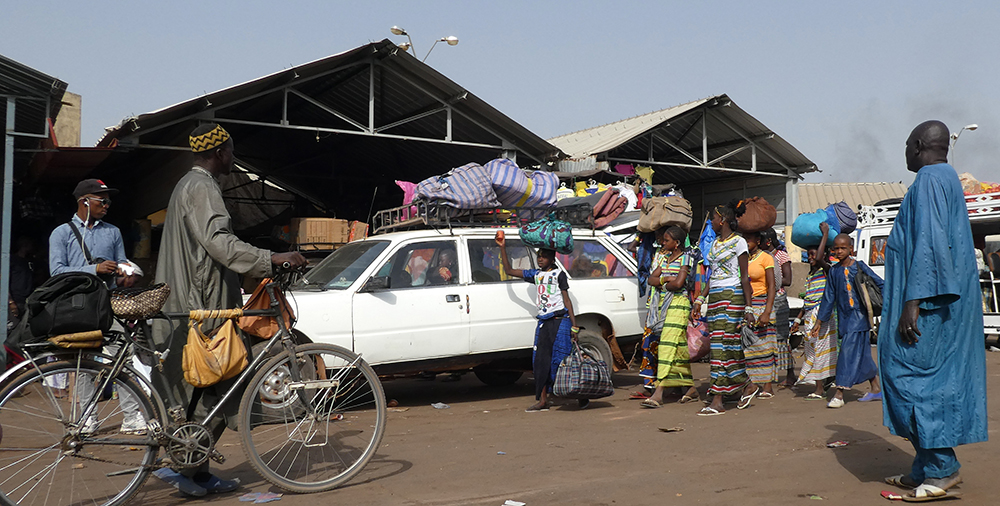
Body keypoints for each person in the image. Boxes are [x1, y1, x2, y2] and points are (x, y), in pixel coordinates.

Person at [151, 123, 306, 497]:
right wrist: (271, 258)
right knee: (226, 379)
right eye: (231, 151)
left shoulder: (187, 185)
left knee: (199, 390)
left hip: (190, 301)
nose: (233, 158)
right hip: (203, 307)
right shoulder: (203, 187)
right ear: (220, 152)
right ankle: (192, 469)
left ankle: (194, 470)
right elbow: (220, 243)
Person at [879, 120, 986, 501]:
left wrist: (914, 302)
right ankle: (924, 467)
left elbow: (930, 242)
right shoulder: (946, 178)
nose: (905, 150)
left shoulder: (929, 180)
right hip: (936, 299)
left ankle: (942, 468)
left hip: (928, 303)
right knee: (921, 380)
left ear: (920, 144)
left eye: (908, 144)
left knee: (914, 380)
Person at [47, 179, 146, 432]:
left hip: (109, 303)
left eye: (108, 201)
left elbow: (121, 261)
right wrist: (95, 268)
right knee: (82, 362)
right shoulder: (62, 233)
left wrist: (126, 273)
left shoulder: (112, 232)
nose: (107, 205)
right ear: (84, 202)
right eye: (102, 201)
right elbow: (56, 272)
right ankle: (87, 417)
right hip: (77, 306)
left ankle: (131, 417)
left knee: (124, 357)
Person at [494, 231, 582, 412]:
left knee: (562, 360)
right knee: (540, 362)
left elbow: (566, 301)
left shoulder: (559, 275)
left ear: (552, 258)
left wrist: (574, 325)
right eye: (539, 256)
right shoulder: (536, 275)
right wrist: (503, 248)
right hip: (543, 323)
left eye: (544, 257)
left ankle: (578, 395)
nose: (540, 259)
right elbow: (510, 270)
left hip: (560, 321)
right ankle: (543, 401)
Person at [690, 200, 760, 416]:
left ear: (723, 220)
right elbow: (713, 275)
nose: (711, 221)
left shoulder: (739, 242)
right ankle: (747, 384)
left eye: (713, 218)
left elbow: (744, 276)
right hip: (716, 297)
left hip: (733, 296)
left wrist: (749, 308)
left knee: (723, 346)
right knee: (723, 346)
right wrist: (701, 298)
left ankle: (718, 398)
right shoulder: (714, 245)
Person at [814, 233, 882, 408]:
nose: (839, 251)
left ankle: (839, 393)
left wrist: (891, 305)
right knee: (863, 355)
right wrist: (819, 321)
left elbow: (880, 284)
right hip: (844, 320)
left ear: (851, 249)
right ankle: (875, 387)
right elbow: (828, 297)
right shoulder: (834, 271)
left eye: (843, 248)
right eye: (836, 248)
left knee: (847, 354)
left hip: (859, 318)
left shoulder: (859, 266)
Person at [641, 226, 698, 408]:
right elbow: (651, 279)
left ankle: (659, 392)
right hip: (663, 307)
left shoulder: (685, 258)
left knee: (666, 346)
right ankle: (690, 388)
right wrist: (667, 280)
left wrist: (662, 281)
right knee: (678, 349)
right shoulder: (664, 258)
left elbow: (679, 284)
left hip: (679, 306)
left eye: (666, 240)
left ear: (677, 243)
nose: (662, 243)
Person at [791, 222, 838, 400]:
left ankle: (819, 388)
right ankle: (822, 383)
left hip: (822, 315)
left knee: (820, 350)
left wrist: (825, 234)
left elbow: (819, 259)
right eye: (808, 255)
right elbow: (807, 300)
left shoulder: (827, 271)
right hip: (810, 315)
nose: (811, 258)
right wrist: (797, 320)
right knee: (812, 351)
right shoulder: (811, 275)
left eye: (813, 254)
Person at [742, 230, 777, 399]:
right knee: (749, 347)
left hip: (762, 303)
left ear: (758, 240)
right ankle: (752, 383)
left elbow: (772, 286)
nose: (746, 241)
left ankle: (768, 385)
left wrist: (767, 312)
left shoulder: (766, 258)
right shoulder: (742, 258)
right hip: (747, 306)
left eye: (749, 238)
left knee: (765, 346)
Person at [760, 228, 795, 387]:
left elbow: (788, 280)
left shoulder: (781, 255)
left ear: (767, 241)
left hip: (778, 300)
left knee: (781, 337)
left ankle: (790, 374)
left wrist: (771, 282)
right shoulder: (761, 256)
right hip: (765, 299)